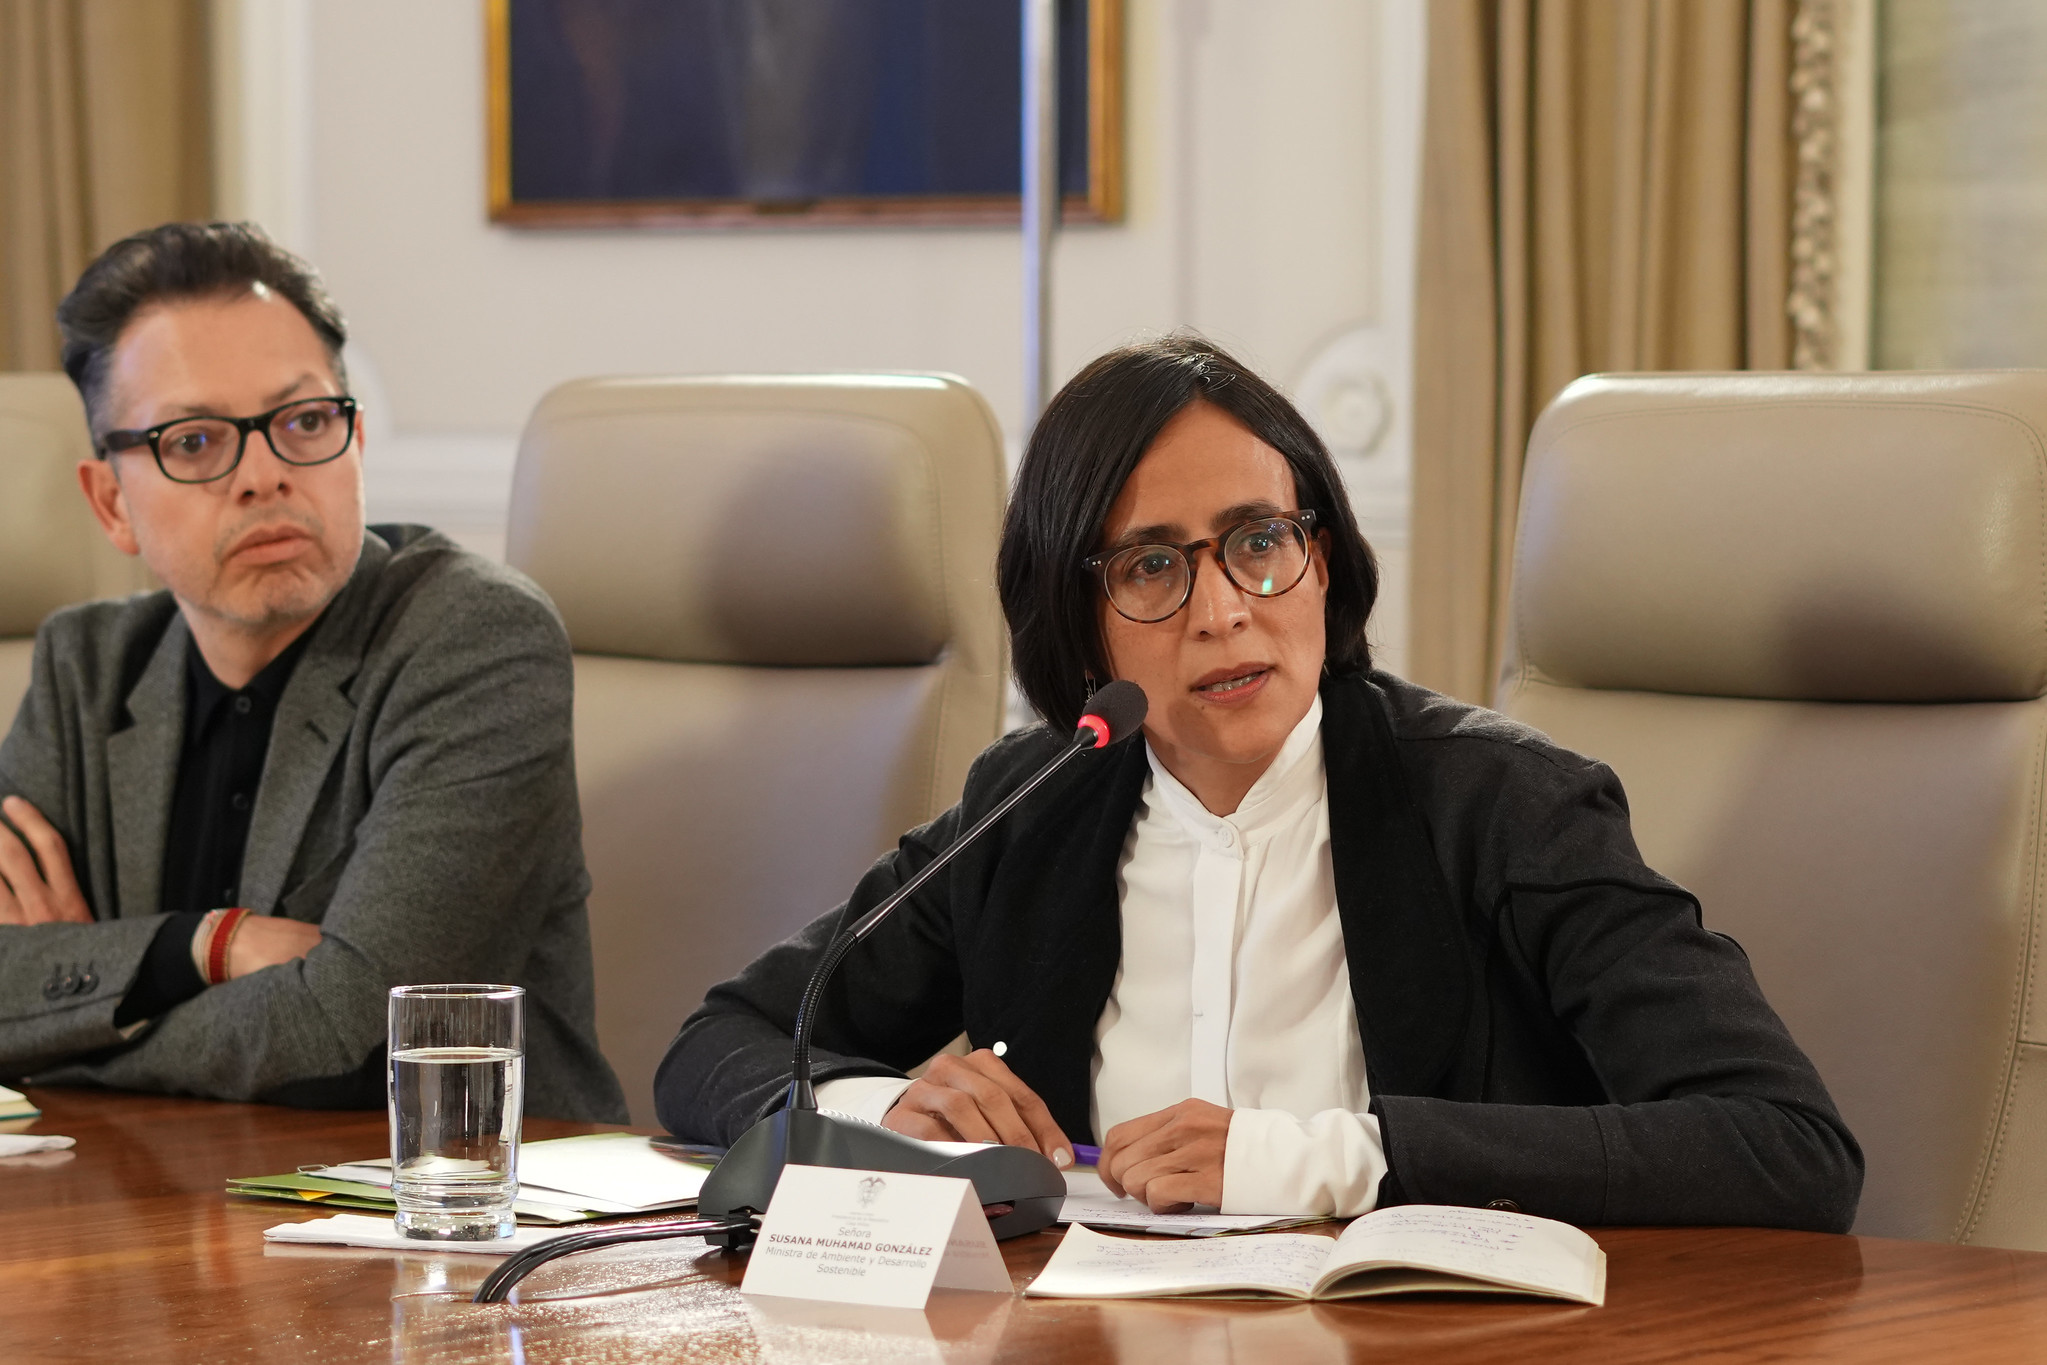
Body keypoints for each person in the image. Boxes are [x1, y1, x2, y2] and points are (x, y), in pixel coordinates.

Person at [655, 334, 1861, 1227]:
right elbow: (728, 1041)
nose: (1224, 611)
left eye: (1256, 544)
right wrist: (886, 1117)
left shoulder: (1501, 809)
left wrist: (1336, 1157)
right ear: (1081, 625)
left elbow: (1784, 1147)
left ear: (1319, 560)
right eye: (1150, 567)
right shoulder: (1034, 806)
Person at [0, 222, 626, 1122]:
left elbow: (346, 1031)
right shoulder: (85, 672)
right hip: (152, 1205)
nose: (262, 475)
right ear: (112, 503)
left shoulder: (474, 639)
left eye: (301, 422)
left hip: (440, 1219)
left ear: (356, 442)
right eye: (195, 440)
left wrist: (72, 1017)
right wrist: (206, 947)